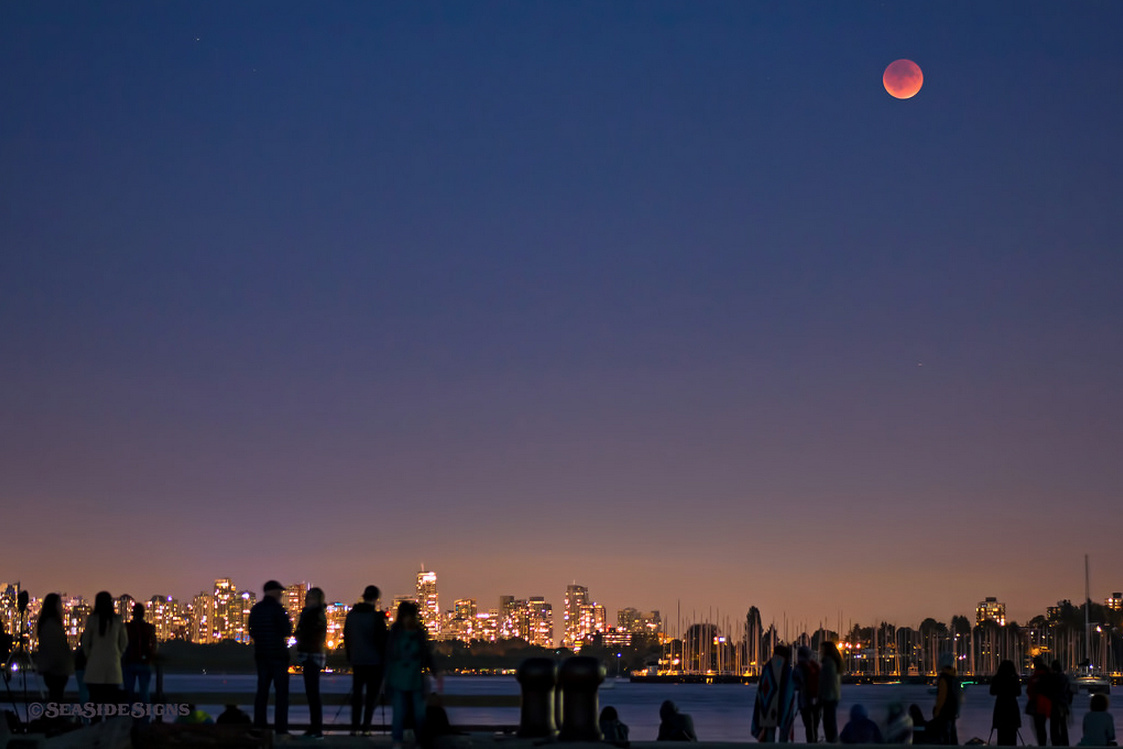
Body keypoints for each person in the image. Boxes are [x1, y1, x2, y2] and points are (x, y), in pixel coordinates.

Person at [386, 600, 440, 746]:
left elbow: (426, 655)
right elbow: (389, 657)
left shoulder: (418, 634)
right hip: (400, 679)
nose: (412, 619)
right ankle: (398, 741)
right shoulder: (396, 634)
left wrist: (436, 673)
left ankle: (418, 741)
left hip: (414, 679)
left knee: (418, 713)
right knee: (399, 713)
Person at [247, 580, 293, 735]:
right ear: (272, 591)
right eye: (279, 591)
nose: (281, 594)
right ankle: (281, 728)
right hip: (278, 656)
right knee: (281, 694)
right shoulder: (277, 609)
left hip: (261, 655)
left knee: (262, 692)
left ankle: (259, 725)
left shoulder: (256, 610)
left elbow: (251, 631)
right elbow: (287, 630)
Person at [344, 585, 389, 736]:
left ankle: (354, 727)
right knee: (371, 697)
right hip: (375, 662)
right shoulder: (375, 617)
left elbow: (347, 638)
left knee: (357, 695)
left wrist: (350, 656)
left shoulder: (351, 616)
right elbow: (382, 641)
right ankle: (366, 727)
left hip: (357, 661)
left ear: (363, 597)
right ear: (376, 599)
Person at [80, 591, 128, 707]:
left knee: (94, 703)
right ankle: (110, 725)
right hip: (113, 667)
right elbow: (124, 642)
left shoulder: (92, 620)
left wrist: (90, 656)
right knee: (112, 706)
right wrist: (117, 654)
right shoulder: (117, 620)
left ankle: (95, 724)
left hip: (94, 668)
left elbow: (85, 643)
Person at [295, 586, 328, 739]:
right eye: (307, 597)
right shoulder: (311, 614)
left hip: (312, 656)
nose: (307, 600)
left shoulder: (315, 615)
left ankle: (317, 728)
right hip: (309, 655)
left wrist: (301, 635)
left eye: (311, 598)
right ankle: (314, 727)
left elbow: (313, 634)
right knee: (311, 693)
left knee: (313, 693)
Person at [34, 593, 73, 701]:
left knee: (54, 698)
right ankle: (55, 717)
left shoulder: (45, 624)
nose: (62, 607)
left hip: (51, 669)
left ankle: (53, 716)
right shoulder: (53, 626)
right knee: (57, 699)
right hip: (57, 670)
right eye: (60, 604)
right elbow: (58, 648)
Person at [753, 645, 796, 742]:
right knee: (784, 731)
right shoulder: (786, 667)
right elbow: (789, 689)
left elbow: (763, 688)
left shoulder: (768, 666)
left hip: (767, 705)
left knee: (769, 731)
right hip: (783, 705)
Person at [123, 602, 158, 705]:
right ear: (143, 614)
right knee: (144, 692)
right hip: (144, 663)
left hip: (129, 662)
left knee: (128, 693)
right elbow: (154, 644)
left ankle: (127, 717)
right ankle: (145, 717)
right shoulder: (149, 627)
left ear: (133, 614)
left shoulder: (127, 627)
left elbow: (121, 643)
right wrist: (151, 656)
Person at [793, 645, 822, 743]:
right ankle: (815, 742)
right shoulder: (816, 667)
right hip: (817, 701)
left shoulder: (799, 668)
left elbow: (795, 685)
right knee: (815, 726)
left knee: (808, 726)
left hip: (805, 701)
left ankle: (810, 743)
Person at [930, 652, 961, 746]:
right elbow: (959, 696)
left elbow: (941, 697)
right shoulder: (955, 678)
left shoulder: (944, 678)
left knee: (944, 736)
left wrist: (937, 711)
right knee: (952, 734)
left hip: (944, 712)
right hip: (953, 711)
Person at [989, 659, 1022, 746]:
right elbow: (1018, 692)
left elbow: (992, 692)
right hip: (1012, 707)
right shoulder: (1014, 678)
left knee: (1001, 734)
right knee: (1012, 735)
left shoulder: (997, 678)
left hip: (1000, 707)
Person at [819, 641, 844, 743]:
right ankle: (832, 740)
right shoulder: (835, 662)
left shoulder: (828, 663)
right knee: (831, 720)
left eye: (822, 649)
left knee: (828, 721)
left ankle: (831, 741)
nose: (821, 651)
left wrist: (820, 695)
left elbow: (825, 681)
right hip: (834, 696)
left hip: (828, 696)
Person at [1027, 657, 1054, 747]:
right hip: (1046, 704)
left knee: (1039, 727)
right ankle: (1043, 744)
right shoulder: (1048, 674)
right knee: (1042, 726)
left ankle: (1041, 744)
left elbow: (1030, 690)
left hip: (1037, 704)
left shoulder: (1036, 676)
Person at [1051, 660, 1073, 746]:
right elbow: (1069, 691)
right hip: (1063, 705)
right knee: (1063, 727)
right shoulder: (1065, 678)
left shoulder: (1053, 678)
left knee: (1054, 728)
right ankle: (1065, 744)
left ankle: (1056, 744)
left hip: (1055, 705)